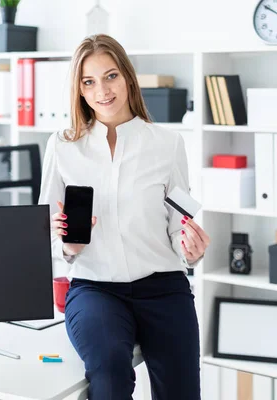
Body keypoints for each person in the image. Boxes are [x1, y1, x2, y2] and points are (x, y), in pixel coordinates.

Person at [38, 34, 210, 399]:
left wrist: (190, 251)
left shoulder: (167, 144)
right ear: (79, 90)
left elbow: (179, 221)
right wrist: (68, 245)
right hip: (95, 289)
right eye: (89, 81)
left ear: (128, 78)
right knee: (110, 376)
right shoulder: (63, 146)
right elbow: (46, 233)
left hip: (163, 287)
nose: (102, 90)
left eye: (111, 76)